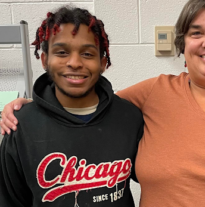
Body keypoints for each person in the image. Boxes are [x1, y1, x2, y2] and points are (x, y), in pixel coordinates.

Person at [1, 0, 205, 206]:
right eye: (196, 33)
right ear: (183, 46)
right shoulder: (153, 93)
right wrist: (31, 108)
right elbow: (88, 107)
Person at [0, 6, 143, 207]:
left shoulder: (130, 118)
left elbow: (157, 178)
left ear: (103, 63)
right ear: (44, 60)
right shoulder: (19, 126)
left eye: (87, 54)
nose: (74, 63)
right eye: (62, 52)